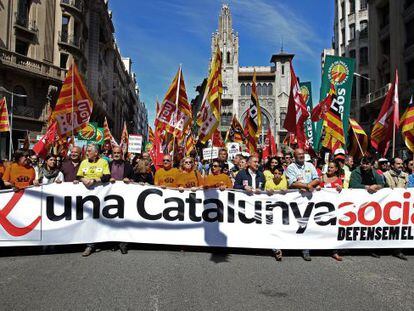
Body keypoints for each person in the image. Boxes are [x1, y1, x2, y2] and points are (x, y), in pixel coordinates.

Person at [285, 148, 320, 261]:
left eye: (302, 154)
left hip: (309, 200)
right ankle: (294, 246)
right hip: (297, 200)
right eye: (299, 154)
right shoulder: (291, 168)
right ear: (294, 157)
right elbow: (292, 183)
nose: (301, 156)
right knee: (298, 224)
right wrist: (307, 186)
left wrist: (309, 185)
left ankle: (306, 248)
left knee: (308, 223)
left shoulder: (310, 165)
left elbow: (317, 179)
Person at [76, 144, 111, 257]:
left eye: (89, 151)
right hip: (85, 196)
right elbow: (79, 176)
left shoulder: (103, 162)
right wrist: (83, 179)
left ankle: (97, 241)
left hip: (100, 195)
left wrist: (95, 180)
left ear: (96, 153)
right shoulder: (84, 162)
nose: (87, 153)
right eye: (87, 151)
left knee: (97, 218)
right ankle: (89, 244)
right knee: (86, 218)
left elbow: (107, 176)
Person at [383, 157, 408, 260]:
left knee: (401, 228)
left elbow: (409, 189)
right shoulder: (385, 175)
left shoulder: (406, 176)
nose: (401, 166)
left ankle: (398, 250)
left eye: (401, 164)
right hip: (387, 205)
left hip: (402, 206)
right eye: (398, 164)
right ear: (392, 165)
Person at [319, 160, 343, 261]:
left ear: (336, 169)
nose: (329, 169)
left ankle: (334, 251)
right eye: (329, 167)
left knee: (333, 229)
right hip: (320, 207)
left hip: (332, 208)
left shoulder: (338, 180)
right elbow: (317, 188)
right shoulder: (321, 177)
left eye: (332, 167)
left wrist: (340, 188)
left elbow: (341, 193)